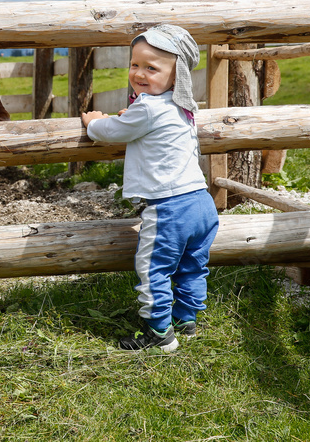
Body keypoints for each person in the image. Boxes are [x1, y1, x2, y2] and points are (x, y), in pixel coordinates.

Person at [81, 24, 219, 353]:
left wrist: (93, 123)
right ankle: (186, 321)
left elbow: (113, 129)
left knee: (152, 267)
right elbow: (146, 123)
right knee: (193, 265)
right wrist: (135, 113)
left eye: (151, 68)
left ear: (177, 76)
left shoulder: (147, 109)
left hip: (170, 208)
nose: (139, 73)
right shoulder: (183, 109)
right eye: (134, 64)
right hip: (202, 203)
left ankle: (159, 333)